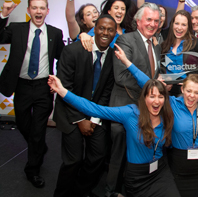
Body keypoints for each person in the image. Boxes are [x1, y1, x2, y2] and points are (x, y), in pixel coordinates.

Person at [113, 43, 198, 197]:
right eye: (188, 91)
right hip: (178, 165)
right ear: (182, 89)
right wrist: (127, 62)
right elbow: (148, 84)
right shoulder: (172, 103)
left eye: (196, 92)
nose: (192, 95)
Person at [47, 76, 180, 197]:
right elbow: (93, 109)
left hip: (160, 171)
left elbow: (190, 102)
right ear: (144, 98)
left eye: (160, 96)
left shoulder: (167, 116)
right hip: (137, 177)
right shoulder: (130, 113)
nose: (156, 101)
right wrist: (62, 91)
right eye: (152, 96)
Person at [0, 0, 65, 188]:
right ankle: (39, 147)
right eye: (34, 8)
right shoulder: (17, 29)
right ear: (29, 10)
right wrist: (4, 14)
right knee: (22, 122)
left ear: (47, 11)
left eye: (42, 8)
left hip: (43, 87)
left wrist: (59, 82)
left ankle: (33, 170)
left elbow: (63, 57)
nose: (38, 11)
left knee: (38, 130)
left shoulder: (55, 32)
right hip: (21, 85)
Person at [52, 15, 116, 197]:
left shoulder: (112, 57)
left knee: (98, 156)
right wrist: (81, 119)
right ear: (94, 29)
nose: (105, 33)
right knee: (73, 160)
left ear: (114, 34)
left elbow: (106, 92)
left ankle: (80, 191)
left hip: (95, 115)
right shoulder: (73, 51)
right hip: (70, 114)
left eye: (110, 30)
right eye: (102, 28)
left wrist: (94, 119)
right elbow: (64, 88)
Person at [106, 2, 162, 197]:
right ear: (138, 21)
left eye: (156, 21)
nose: (152, 24)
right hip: (125, 104)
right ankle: (111, 190)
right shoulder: (125, 40)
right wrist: (153, 86)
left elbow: (154, 73)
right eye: (149, 20)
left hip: (145, 108)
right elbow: (121, 76)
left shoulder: (155, 44)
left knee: (139, 152)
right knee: (119, 153)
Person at [161, 10, 198, 96]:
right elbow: (161, 68)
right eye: (177, 23)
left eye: (183, 25)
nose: (179, 28)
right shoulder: (165, 45)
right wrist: (165, 80)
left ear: (188, 27)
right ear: (172, 25)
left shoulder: (197, 44)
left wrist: (192, 83)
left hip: (188, 93)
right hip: (166, 92)